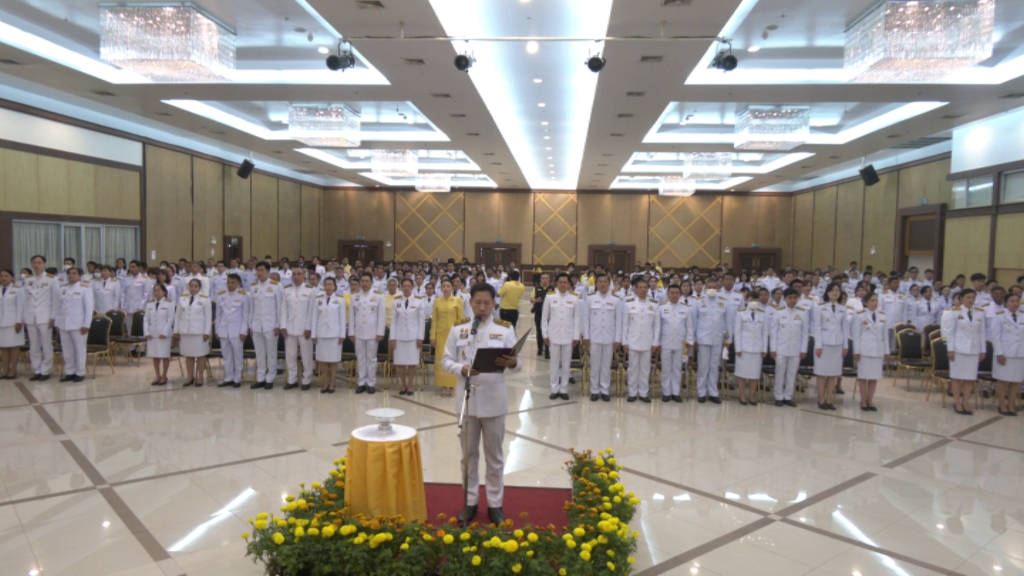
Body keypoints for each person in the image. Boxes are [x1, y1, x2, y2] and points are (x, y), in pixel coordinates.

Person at [441, 282, 520, 527]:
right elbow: (445, 360)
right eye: (478, 303)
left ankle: (495, 504)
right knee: (468, 455)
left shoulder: (505, 329)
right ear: (470, 303)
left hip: (494, 401)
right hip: (466, 401)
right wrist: (462, 368)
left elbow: (519, 364)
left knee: (494, 455)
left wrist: (511, 363)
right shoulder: (459, 329)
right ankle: (471, 501)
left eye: (487, 303)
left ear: (494, 304)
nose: (483, 308)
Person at [941, 289, 986, 416]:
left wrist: (983, 350)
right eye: (968, 297)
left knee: (970, 378)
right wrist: (950, 349)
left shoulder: (980, 312)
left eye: (973, 297)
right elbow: (949, 333)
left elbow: (982, 333)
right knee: (956, 377)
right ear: (961, 298)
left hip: (974, 349)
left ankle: (966, 402)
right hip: (958, 349)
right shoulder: (954, 312)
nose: (971, 300)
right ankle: (957, 402)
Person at [692, 278, 734, 404]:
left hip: (718, 338)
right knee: (703, 366)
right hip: (702, 338)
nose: (711, 289)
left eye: (714, 287)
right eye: (709, 287)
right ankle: (701, 392)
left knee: (715, 366)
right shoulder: (698, 302)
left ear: (718, 288)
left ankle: (713, 392)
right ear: (705, 288)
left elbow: (728, 322)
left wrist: (728, 339)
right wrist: (694, 339)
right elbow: (694, 322)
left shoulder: (724, 301)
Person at [541, 273, 580, 400]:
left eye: (565, 282)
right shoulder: (550, 296)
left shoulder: (575, 298)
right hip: (553, 335)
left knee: (566, 364)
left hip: (568, 336)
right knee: (554, 363)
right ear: (557, 283)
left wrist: (576, 336)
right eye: (561, 282)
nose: (563, 284)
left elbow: (577, 318)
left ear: (569, 284)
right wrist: (545, 334)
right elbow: (544, 317)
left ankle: (564, 389)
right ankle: (554, 388)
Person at [582, 273, 620, 402]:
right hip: (594, 337)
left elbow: (618, 321)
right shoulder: (590, 298)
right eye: (600, 282)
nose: (603, 284)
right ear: (596, 284)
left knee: (606, 365)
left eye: (605, 282)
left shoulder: (616, 299)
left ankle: (605, 390)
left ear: (609, 284)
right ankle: (594, 390)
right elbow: (586, 319)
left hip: (609, 337)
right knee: (595, 364)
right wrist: (586, 336)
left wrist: (617, 339)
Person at [621, 278, 660, 403]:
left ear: (648, 289)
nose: (643, 289)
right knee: (632, 368)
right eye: (640, 287)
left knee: (645, 368)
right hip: (633, 340)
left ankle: (643, 392)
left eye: (645, 287)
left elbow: (657, 326)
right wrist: (624, 341)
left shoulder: (654, 304)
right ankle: (632, 392)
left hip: (647, 342)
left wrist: (655, 342)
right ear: (635, 289)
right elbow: (625, 325)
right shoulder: (629, 303)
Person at [654, 284, 694, 403]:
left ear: (680, 294)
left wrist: (690, 341)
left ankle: (675, 392)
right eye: (672, 292)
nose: (674, 295)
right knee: (666, 368)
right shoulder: (661, 308)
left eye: (677, 293)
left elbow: (690, 327)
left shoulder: (686, 308)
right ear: (668, 294)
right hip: (665, 342)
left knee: (677, 368)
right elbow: (658, 327)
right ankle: (666, 392)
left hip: (680, 343)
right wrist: (658, 342)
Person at [24, 255, 61, 381]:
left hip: (45, 316)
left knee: (46, 345)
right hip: (31, 316)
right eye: (34, 262)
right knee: (33, 345)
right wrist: (24, 317)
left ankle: (45, 370)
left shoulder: (52, 279)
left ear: (44, 264)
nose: (36, 265)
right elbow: (25, 300)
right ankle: (37, 369)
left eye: (39, 262)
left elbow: (56, 300)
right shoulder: (27, 279)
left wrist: (53, 317)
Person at [348, 272, 386, 394]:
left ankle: (371, 383)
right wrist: (351, 333)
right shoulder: (354, 296)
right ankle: (361, 382)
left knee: (371, 359)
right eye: (362, 281)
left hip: (373, 333)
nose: (364, 283)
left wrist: (380, 333)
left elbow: (381, 316)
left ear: (372, 283)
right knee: (360, 358)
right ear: (359, 283)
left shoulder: (379, 296)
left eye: (367, 281)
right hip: (358, 332)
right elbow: (351, 317)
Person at [249, 262, 284, 390]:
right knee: (259, 353)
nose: (259, 273)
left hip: (271, 325)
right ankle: (260, 378)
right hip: (257, 324)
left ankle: (270, 378)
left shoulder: (276, 286)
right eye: (258, 270)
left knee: (271, 353)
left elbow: (280, 307)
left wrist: (279, 324)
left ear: (268, 271)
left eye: (262, 270)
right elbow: (251, 308)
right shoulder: (253, 287)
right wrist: (250, 324)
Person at [55, 267, 94, 383]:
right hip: (64, 323)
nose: (71, 275)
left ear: (79, 275)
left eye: (74, 273)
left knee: (80, 349)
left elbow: (89, 308)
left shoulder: (84, 289)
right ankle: (70, 372)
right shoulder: (62, 289)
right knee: (67, 350)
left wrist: (86, 324)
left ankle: (80, 372)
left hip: (78, 324)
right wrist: (57, 322)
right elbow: (58, 307)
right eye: (69, 273)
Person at [280, 267, 316, 391]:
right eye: (294, 274)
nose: (296, 276)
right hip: (290, 327)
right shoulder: (286, 290)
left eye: (299, 274)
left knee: (306, 355)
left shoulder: (311, 290)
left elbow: (312, 311)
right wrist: (283, 326)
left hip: (304, 328)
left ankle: (307, 380)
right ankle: (292, 379)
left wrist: (309, 327)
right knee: (290, 355)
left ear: (304, 276)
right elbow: (283, 309)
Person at [771, 288, 808, 407]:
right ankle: (778, 396)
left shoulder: (802, 312)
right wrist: (773, 348)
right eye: (790, 298)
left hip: (795, 349)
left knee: (792, 373)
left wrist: (803, 349)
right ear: (784, 299)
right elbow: (774, 332)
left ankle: (788, 396)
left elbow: (805, 333)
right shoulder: (779, 311)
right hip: (781, 348)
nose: (792, 300)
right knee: (780, 372)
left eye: (794, 298)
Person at [852, 293, 888, 411]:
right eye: (872, 300)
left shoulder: (882, 315)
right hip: (865, 350)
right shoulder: (859, 315)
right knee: (863, 376)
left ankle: (870, 400)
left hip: (878, 350)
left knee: (874, 376)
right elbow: (856, 335)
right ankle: (863, 400)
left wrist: (886, 351)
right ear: (866, 302)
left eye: (876, 300)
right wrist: (856, 350)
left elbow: (885, 336)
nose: (875, 303)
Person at [391, 278, 426, 396]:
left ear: (412, 288)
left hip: (413, 337)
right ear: (401, 288)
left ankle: (410, 385)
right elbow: (393, 322)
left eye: (408, 286)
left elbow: (421, 321)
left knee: (412, 362)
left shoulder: (418, 302)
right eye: (404, 286)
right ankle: (403, 384)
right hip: (399, 336)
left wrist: (420, 338)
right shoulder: (396, 302)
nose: (406, 288)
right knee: (400, 362)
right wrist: (392, 338)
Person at [174, 279, 212, 387]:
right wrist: (176, 330)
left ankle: (200, 378)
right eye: (191, 286)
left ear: (200, 287)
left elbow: (208, 318)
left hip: (199, 332)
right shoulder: (182, 298)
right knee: (188, 355)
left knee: (200, 356)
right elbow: (177, 316)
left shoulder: (205, 299)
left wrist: (207, 332)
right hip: (185, 331)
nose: (193, 288)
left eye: (196, 286)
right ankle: (189, 378)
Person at [311, 277, 346, 394]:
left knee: (333, 360)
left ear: (335, 287)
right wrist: (313, 334)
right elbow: (314, 318)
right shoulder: (318, 300)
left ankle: (332, 383)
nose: (328, 287)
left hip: (334, 334)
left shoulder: (340, 300)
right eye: (326, 284)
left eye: (330, 284)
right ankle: (325, 383)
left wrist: (342, 335)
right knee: (323, 360)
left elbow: (342, 319)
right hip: (321, 334)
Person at [431, 278, 465, 398]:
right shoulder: (437, 301)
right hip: (440, 334)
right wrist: (432, 336)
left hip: (453, 334)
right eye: (443, 286)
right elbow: (434, 319)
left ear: (452, 288)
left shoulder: (458, 301)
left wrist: (461, 336)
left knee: (453, 358)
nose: (445, 288)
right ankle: (443, 386)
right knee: (441, 359)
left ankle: (452, 385)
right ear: (440, 288)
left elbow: (461, 319)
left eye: (448, 286)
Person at [734, 291, 768, 405]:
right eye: (751, 300)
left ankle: (752, 396)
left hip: (757, 348)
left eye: (755, 300)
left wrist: (764, 349)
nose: (753, 302)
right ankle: (742, 395)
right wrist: (737, 348)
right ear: (746, 300)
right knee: (742, 374)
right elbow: (737, 332)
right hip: (743, 348)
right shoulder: (740, 313)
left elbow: (765, 332)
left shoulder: (763, 313)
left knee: (754, 374)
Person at [215, 274, 249, 388]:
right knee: (227, 355)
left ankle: (237, 378)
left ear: (239, 283)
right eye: (228, 282)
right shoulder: (221, 295)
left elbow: (246, 315)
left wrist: (244, 331)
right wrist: (217, 331)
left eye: (233, 282)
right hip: (224, 329)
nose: (230, 284)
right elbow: (218, 315)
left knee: (237, 355)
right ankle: (228, 377)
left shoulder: (244, 295)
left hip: (237, 330)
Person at [991, 293, 1023, 416]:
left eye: (1017, 301)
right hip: (1005, 353)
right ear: (1006, 303)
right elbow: (996, 336)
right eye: (1012, 301)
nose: (1015, 303)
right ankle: (1002, 405)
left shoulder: (1023, 316)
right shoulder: (999, 316)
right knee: (1003, 380)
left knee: (1016, 380)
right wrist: (999, 353)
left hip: (1020, 353)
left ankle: (1011, 405)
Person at [144, 283, 175, 386]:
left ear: (164, 292)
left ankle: (164, 375)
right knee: (155, 356)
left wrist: (165, 332)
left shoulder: (169, 303)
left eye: (158, 290)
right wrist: (146, 332)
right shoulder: (149, 304)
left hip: (164, 334)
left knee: (164, 355)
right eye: (155, 290)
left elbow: (170, 319)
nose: (156, 292)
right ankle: (157, 375)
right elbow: (146, 319)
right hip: (153, 334)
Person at [0, 269, 25, 379]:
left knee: (14, 347)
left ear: (12, 278)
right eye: (1, 276)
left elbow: (21, 306)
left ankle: (13, 371)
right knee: (4, 348)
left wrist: (19, 321)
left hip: (14, 322)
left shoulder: (18, 289)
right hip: (1, 322)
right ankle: (5, 370)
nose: (3, 278)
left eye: (6, 276)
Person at [531, 272, 554, 357]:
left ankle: (547, 350)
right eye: (543, 278)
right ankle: (540, 349)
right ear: (540, 279)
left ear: (549, 279)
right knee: (539, 332)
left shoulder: (553, 288)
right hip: (539, 313)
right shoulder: (536, 288)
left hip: (550, 315)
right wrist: (537, 300)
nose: (545, 280)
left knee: (549, 332)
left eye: (546, 278)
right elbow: (531, 299)